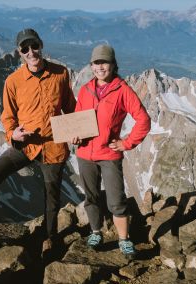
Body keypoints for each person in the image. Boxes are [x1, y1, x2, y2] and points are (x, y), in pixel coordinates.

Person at [0, 28, 76, 254]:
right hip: (25, 144)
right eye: (24, 49)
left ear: (41, 45)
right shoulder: (13, 81)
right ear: (19, 52)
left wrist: (77, 129)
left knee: (52, 196)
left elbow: (70, 107)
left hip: (53, 146)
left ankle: (49, 237)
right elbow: (8, 116)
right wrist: (12, 135)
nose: (31, 52)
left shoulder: (61, 73)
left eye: (34, 46)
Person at [72, 44, 151, 259]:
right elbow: (78, 121)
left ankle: (124, 240)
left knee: (116, 200)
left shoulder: (122, 89)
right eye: (96, 63)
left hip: (108, 154)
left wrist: (127, 143)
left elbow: (143, 119)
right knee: (91, 197)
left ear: (113, 65)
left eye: (104, 62)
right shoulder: (86, 90)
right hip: (85, 153)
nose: (100, 67)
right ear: (91, 66)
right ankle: (96, 232)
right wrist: (75, 135)